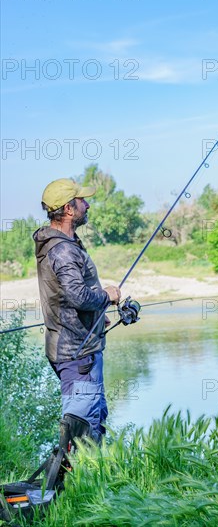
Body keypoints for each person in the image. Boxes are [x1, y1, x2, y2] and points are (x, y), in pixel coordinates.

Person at [33, 178, 121, 443]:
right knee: (80, 429)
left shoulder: (63, 245)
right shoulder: (63, 250)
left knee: (92, 420)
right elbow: (78, 296)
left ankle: (89, 480)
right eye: (82, 201)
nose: (88, 204)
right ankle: (71, 482)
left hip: (77, 347)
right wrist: (107, 296)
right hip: (76, 353)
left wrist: (95, 315)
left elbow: (68, 296)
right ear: (69, 209)